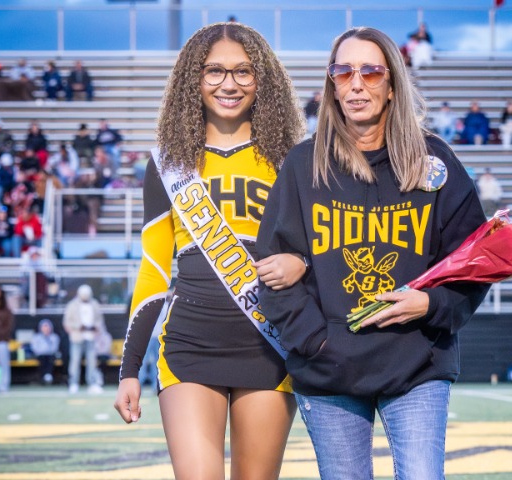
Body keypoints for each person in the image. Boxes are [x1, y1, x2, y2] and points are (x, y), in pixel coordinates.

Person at [256, 26, 490, 480]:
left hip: (416, 364)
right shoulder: (303, 164)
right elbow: (273, 270)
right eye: (344, 72)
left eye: (370, 72)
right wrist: (317, 342)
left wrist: (432, 304)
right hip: (328, 369)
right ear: (332, 85)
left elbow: (474, 261)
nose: (357, 84)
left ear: (393, 84)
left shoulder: (434, 162)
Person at [113, 22, 307, 480]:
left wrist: (301, 263)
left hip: (268, 345)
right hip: (189, 345)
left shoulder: (292, 159)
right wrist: (129, 368)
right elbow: (154, 269)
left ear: (262, 79)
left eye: (243, 71)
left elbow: (316, 251)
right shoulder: (167, 163)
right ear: (193, 79)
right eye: (214, 71)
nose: (229, 84)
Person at [63, 284, 106, 394]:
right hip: (77, 337)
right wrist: (78, 327)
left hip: (91, 337)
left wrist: (96, 327)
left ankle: (92, 383)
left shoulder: (94, 304)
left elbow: (99, 320)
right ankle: (73, 383)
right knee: (75, 360)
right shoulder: (72, 305)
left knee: (92, 361)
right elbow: (67, 322)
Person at [29, 318, 61, 385]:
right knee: (43, 359)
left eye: (47, 327)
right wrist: (43, 351)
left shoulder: (54, 337)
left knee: (50, 359)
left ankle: (48, 375)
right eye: (44, 327)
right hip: (40, 355)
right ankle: (44, 376)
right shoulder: (36, 337)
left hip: (51, 355)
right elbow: (34, 348)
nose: (46, 329)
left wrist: (47, 351)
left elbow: (55, 348)